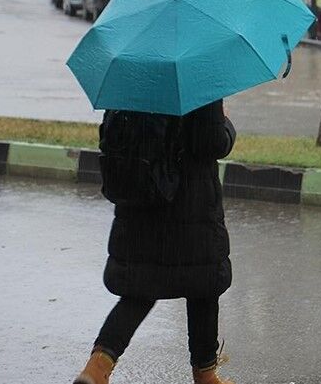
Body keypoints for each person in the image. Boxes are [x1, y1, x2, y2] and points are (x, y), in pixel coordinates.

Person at [74, 100, 237, 384]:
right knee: (203, 288)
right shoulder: (196, 74)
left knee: (140, 289)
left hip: (140, 196)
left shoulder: (132, 76)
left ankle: (97, 368)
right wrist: (225, 124)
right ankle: (206, 373)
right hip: (190, 203)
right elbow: (209, 143)